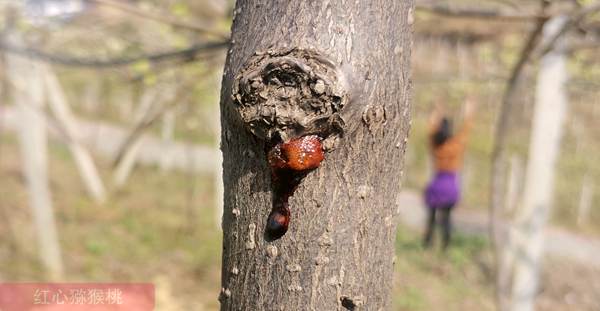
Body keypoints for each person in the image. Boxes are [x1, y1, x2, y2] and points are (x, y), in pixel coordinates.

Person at [423, 99, 475, 250]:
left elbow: (431, 126)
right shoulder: (456, 145)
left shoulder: (436, 146)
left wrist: (438, 110)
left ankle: (427, 244)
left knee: (431, 218)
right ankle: (445, 246)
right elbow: (467, 127)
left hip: (436, 184)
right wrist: (469, 109)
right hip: (450, 186)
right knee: (446, 219)